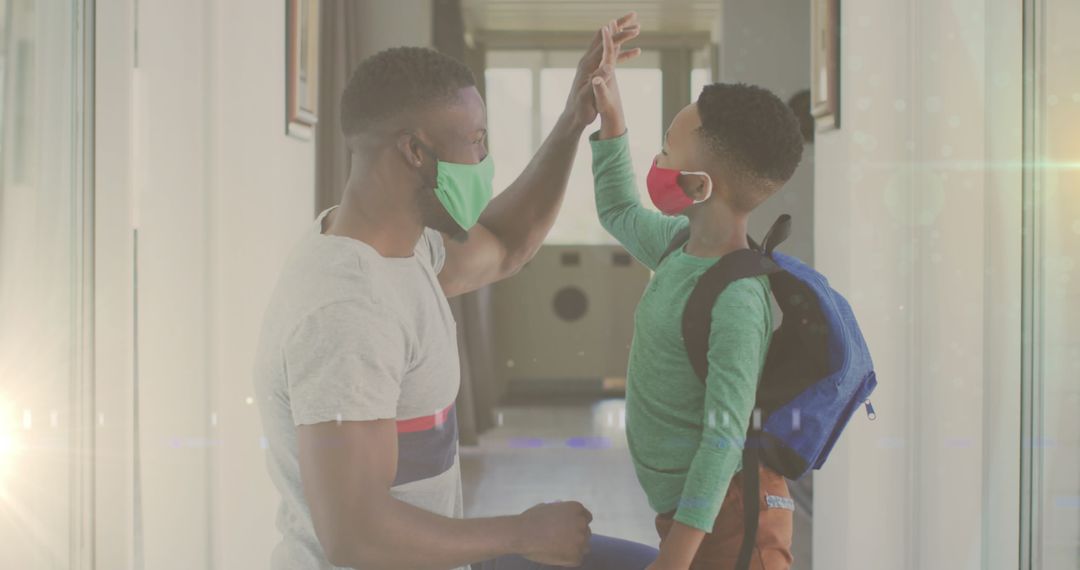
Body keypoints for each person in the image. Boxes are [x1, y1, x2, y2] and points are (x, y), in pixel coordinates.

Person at [253, 13, 659, 570]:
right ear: (414, 151)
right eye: (474, 141)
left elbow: (508, 243)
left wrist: (572, 120)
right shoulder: (347, 308)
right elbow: (356, 536)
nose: (483, 161)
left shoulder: (404, 248)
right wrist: (522, 532)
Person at [587, 25, 805, 570]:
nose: (657, 162)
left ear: (699, 185)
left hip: (733, 529)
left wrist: (675, 559)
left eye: (666, 151)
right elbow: (617, 211)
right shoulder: (679, 246)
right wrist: (612, 119)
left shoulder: (737, 300)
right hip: (692, 518)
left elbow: (723, 439)